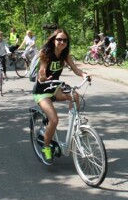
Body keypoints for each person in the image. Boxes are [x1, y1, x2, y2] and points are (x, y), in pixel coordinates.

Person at [33, 29, 90, 165]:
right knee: (54, 119)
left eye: (65, 40)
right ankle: (46, 148)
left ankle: (74, 121)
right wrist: (42, 77)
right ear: (54, 40)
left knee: (74, 95)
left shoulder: (65, 55)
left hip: (55, 88)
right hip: (42, 90)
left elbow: (76, 69)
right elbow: (42, 72)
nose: (62, 42)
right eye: (59, 39)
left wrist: (84, 75)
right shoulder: (46, 53)